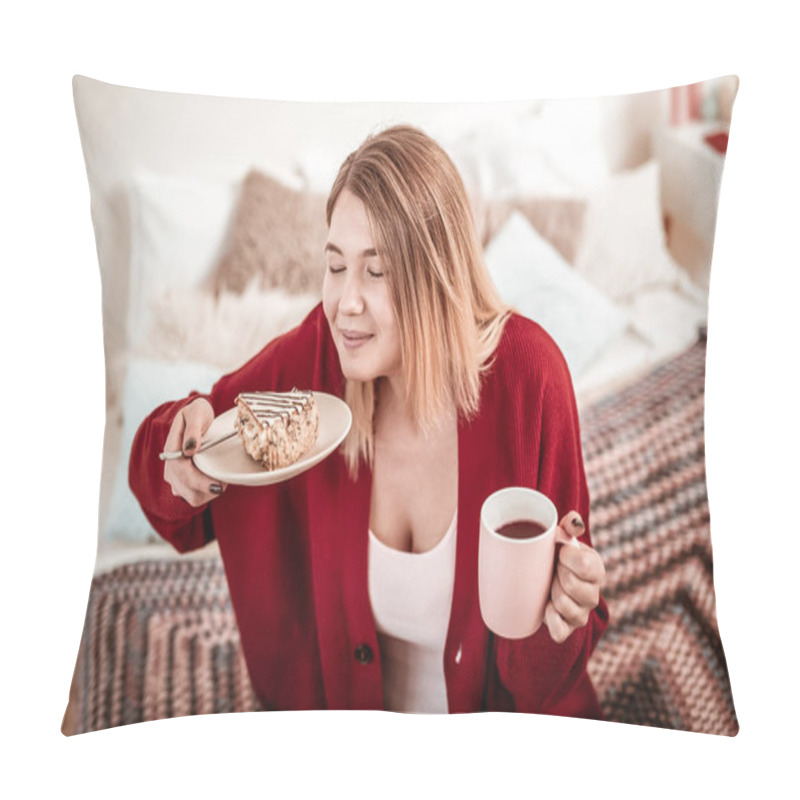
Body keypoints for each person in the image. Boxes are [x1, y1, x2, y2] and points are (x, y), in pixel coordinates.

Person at [130, 124, 609, 716]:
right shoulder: (316, 360)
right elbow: (172, 494)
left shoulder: (529, 378)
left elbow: (542, 685)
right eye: (335, 267)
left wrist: (561, 619)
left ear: (437, 274)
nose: (344, 303)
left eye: (375, 272)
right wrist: (180, 439)